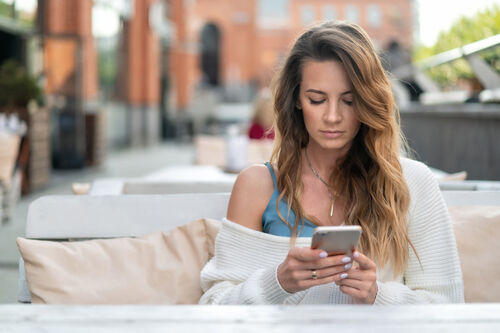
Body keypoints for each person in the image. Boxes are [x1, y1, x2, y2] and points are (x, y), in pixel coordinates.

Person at [199, 21, 464, 305]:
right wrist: (277, 282)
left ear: (368, 101)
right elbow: (215, 306)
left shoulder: (411, 183)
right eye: (317, 100)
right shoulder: (257, 186)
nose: (333, 116)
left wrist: (377, 296)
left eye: (349, 101)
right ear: (297, 99)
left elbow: (447, 305)